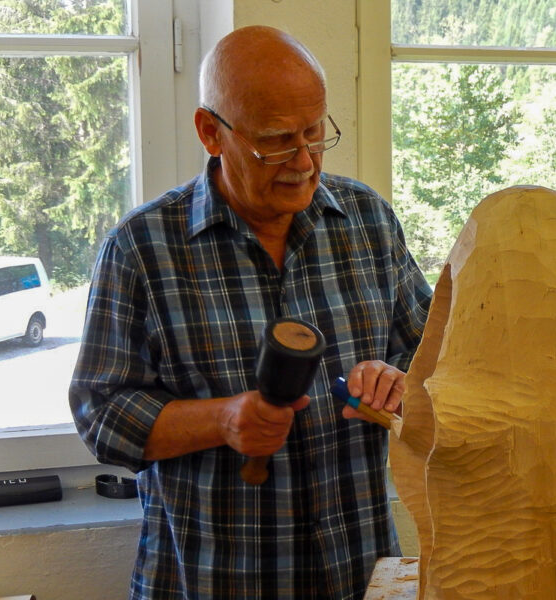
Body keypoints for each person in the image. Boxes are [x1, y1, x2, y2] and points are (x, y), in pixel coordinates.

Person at [69, 25, 432, 599]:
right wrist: (223, 420)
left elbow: (438, 361)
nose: (304, 161)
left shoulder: (369, 223)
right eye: (276, 141)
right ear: (210, 132)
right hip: (213, 581)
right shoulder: (142, 248)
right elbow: (101, 415)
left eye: (314, 132)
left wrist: (398, 382)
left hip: (356, 573)